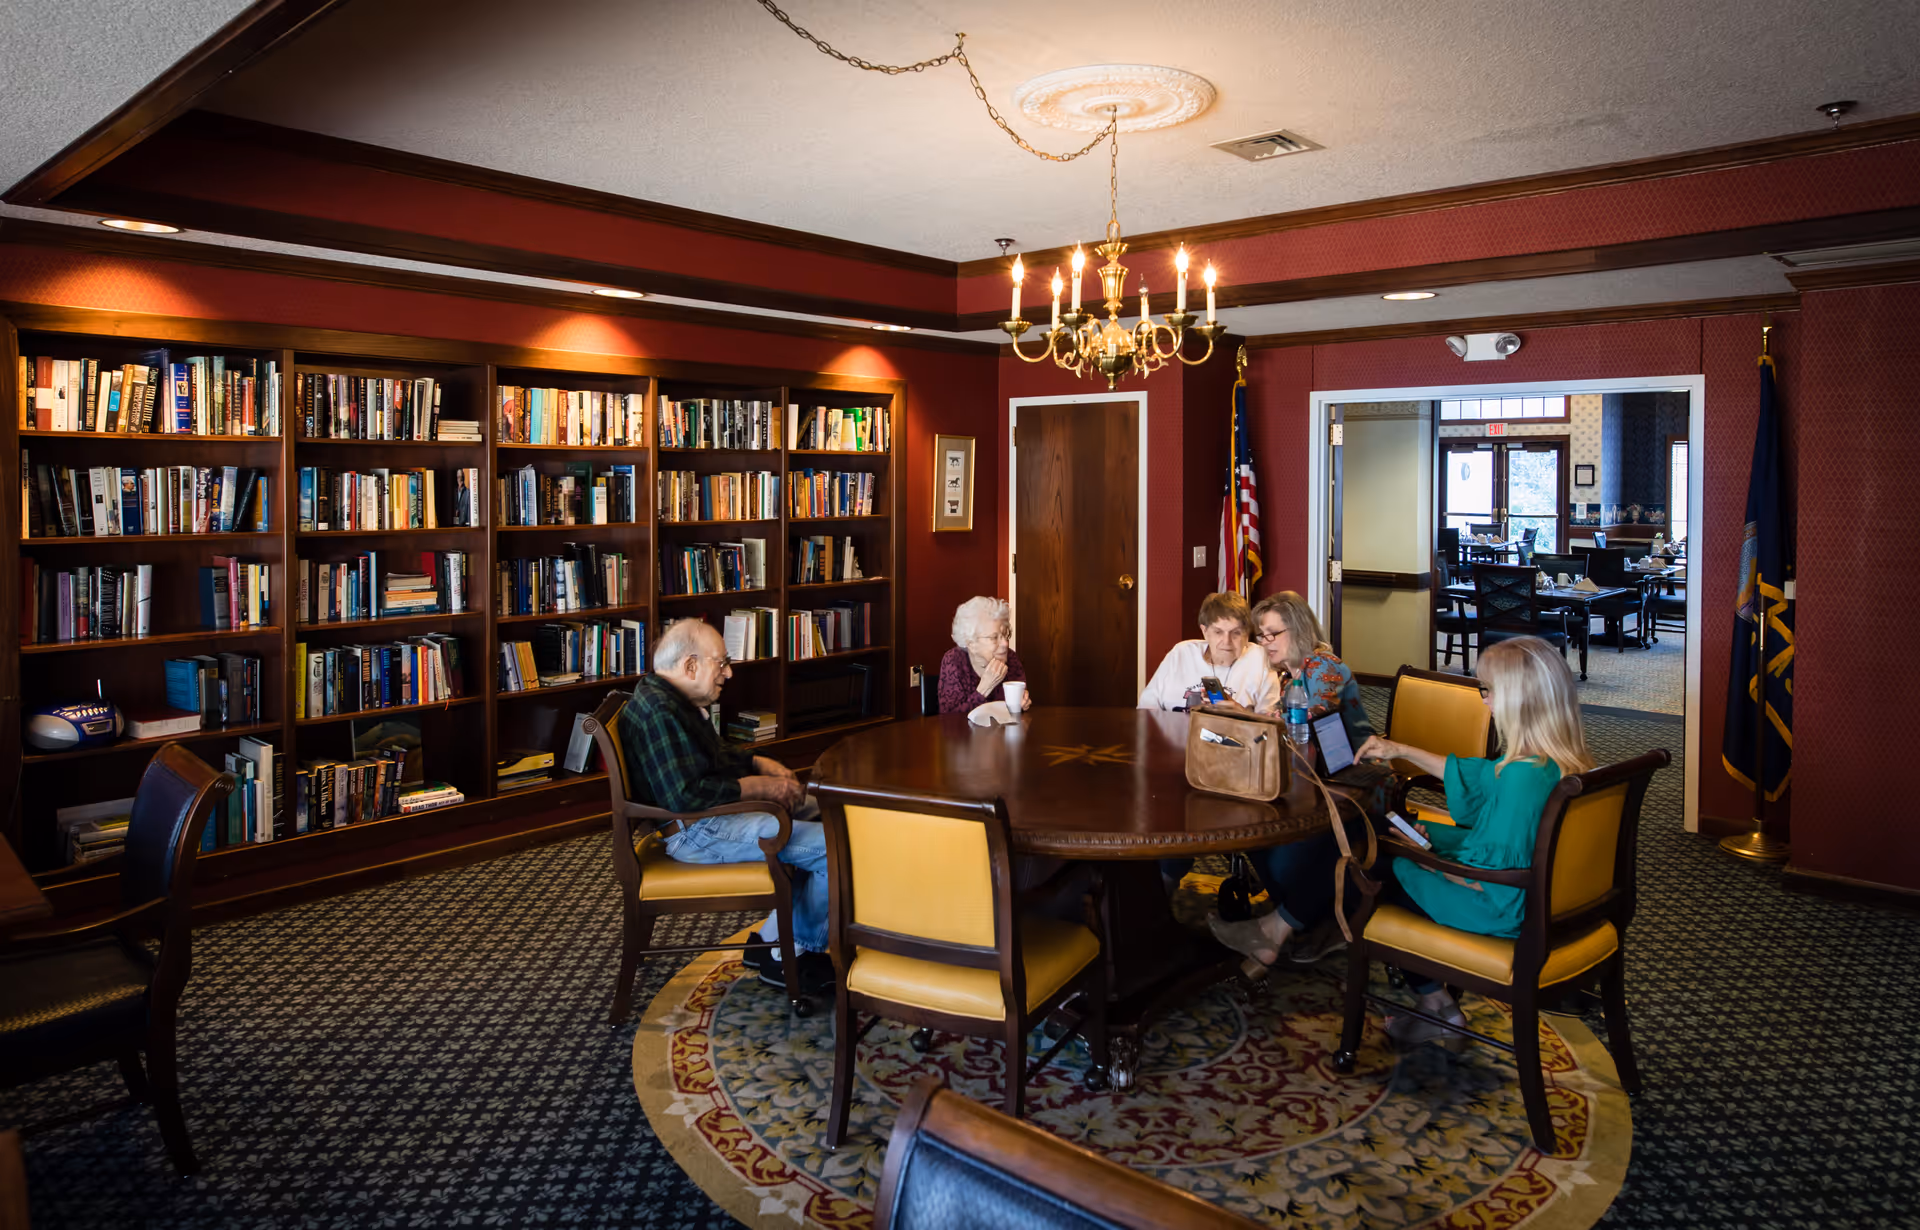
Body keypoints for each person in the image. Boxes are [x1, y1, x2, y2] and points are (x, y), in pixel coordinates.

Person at [1212, 636, 1594, 1050]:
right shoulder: (1554, 763)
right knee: (1376, 833)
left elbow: (1491, 879)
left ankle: (1279, 932)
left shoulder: (1522, 778)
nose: (1485, 701)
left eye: (1489, 690)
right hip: (1536, 897)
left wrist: (1427, 860)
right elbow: (1481, 779)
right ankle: (1436, 1007)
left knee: (1365, 866)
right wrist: (1400, 751)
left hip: (1498, 908)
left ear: (1522, 698)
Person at [618, 619, 832, 994]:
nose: (729, 673)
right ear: (690, 666)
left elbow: (712, 757)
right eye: (722, 663)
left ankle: (767, 941)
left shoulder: (669, 697)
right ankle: (791, 956)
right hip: (696, 831)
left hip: (704, 820)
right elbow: (687, 796)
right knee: (834, 849)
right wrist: (759, 786)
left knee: (829, 814)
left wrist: (756, 763)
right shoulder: (660, 712)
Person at [1248, 591, 1373, 746]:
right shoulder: (1288, 677)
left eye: (1273, 633)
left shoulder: (1323, 665)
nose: (1265, 642)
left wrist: (1249, 718)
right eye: (1261, 635)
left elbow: (1311, 723)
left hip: (1356, 762)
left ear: (1299, 630)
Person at [1138, 592, 1279, 712]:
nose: (1227, 641)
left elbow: (1270, 726)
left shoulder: (1260, 659)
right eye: (1218, 632)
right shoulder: (1181, 653)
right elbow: (1146, 709)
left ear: (1247, 633)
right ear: (1205, 631)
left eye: (1236, 633)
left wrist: (1241, 713)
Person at [938, 596, 1031, 714]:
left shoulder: (1011, 658)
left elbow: (1014, 714)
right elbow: (949, 720)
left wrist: (1022, 705)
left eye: (1005, 635)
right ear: (971, 643)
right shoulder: (953, 661)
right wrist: (984, 688)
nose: (1005, 643)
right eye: (994, 637)